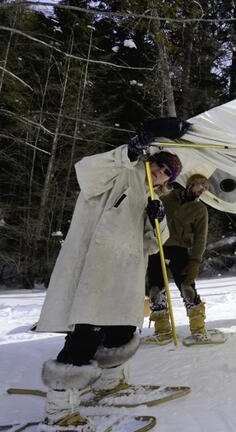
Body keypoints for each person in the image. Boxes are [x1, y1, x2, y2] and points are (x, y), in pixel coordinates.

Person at [34, 128, 184, 429]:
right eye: (160, 163)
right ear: (150, 160)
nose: (160, 171)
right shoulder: (121, 172)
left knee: (122, 331)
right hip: (95, 272)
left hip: (125, 278)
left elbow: (155, 243)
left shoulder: (152, 197)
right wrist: (128, 151)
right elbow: (86, 171)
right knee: (86, 334)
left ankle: (108, 385)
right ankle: (60, 411)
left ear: (168, 181)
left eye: (167, 172)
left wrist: (159, 219)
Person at [145, 173, 211, 344]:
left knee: (187, 287)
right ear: (190, 184)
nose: (203, 189)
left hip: (180, 250)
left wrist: (195, 262)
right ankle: (163, 331)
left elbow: (200, 238)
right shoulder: (165, 198)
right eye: (200, 185)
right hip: (157, 247)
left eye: (205, 187)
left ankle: (198, 329)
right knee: (155, 289)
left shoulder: (200, 210)